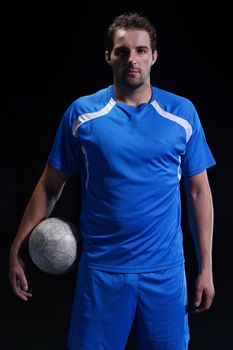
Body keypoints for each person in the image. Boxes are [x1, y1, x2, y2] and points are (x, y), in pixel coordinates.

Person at [9, 11, 216, 350]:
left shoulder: (182, 114)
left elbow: (198, 192)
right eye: (122, 51)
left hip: (164, 274)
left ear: (154, 56)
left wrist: (206, 268)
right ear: (109, 56)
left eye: (140, 50)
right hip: (102, 273)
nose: (132, 59)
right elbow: (49, 186)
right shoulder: (83, 114)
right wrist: (17, 248)